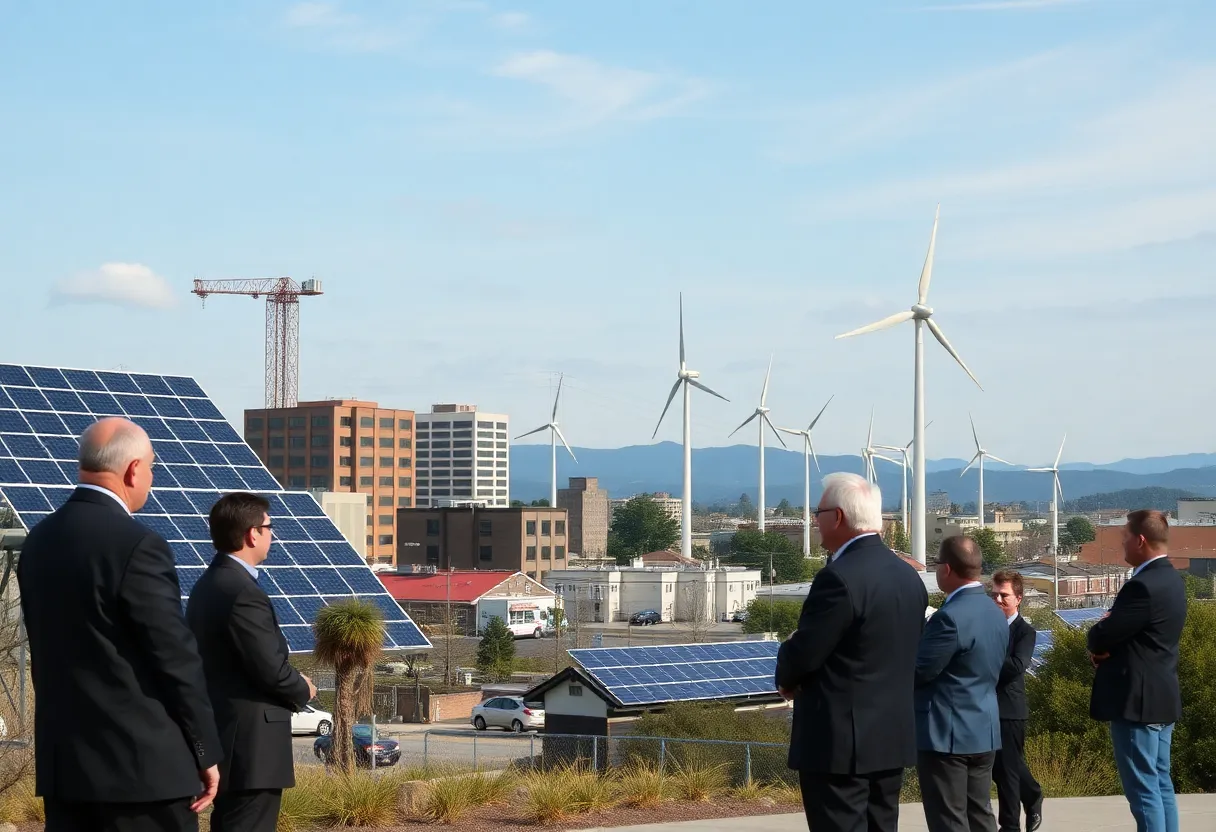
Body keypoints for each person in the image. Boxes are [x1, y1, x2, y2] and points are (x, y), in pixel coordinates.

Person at [17, 417, 221, 832]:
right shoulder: (138, 546)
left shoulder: (38, 541)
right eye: (151, 468)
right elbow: (175, 661)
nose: (150, 477)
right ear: (132, 470)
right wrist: (205, 752)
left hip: (67, 773)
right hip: (143, 779)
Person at [776, 472, 928, 832]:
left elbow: (808, 651)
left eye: (818, 511)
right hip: (890, 738)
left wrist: (787, 674)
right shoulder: (908, 577)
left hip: (840, 746)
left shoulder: (838, 578)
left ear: (838, 517)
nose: (814, 520)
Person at [187, 492, 317, 832]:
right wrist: (302, 687)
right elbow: (269, 668)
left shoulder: (206, 585)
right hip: (251, 749)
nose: (272, 534)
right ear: (251, 534)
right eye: (269, 527)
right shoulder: (242, 591)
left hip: (228, 738)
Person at [1088, 509, 1186, 832]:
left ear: (1140, 540)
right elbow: (1144, 638)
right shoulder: (1172, 579)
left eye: (1125, 538)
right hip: (1162, 697)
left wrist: (1102, 631)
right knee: (1160, 784)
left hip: (1137, 705)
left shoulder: (1141, 586)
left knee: (1143, 792)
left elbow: (1102, 635)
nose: (1123, 545)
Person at [915, 536, 1008, 832]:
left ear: (947, 569)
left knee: (949, 819)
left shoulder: (949, 618)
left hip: (947, 734)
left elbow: (920, 672)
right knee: (981, 814)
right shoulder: (995, 611)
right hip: (985, 729)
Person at [989, 570, 1043, 832]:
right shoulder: (987, 625)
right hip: (985, 707)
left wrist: (984, 657)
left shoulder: (1025, 632)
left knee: (1007, 771)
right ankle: (1032, 793)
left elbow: (1016, 665)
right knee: (998, 768)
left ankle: (1009, 826)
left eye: (1004, 595)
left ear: (1018, 598)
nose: (998, 599)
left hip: (1009, 709)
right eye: (994, 594)